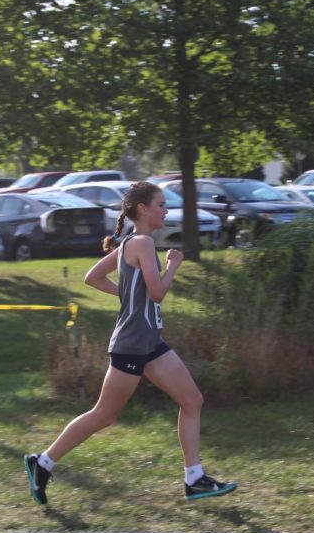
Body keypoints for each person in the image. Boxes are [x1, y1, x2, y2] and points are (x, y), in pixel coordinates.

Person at [24, 181, 237, 504]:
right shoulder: (142, 244)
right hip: (131, 345)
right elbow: (157, 293)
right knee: (104, 415)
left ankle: (194, 478)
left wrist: (126, 293)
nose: (166, 210)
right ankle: (43, 462)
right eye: (161, 205)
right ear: (143, 210)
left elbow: (92, 278)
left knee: (192, 400)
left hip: (150, 342)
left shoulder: (130, 244)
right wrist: (173, 267)